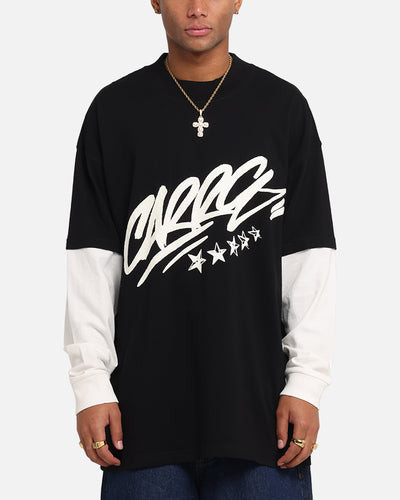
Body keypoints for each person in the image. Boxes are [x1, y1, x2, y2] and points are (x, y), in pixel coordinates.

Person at [63, 1, 336, 498]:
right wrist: (90, 384)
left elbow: (309, 258)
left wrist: (306, 383)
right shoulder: (114, 110)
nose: (196, 7)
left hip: (261, 419)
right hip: (140, 422)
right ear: (155, 1)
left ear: (238, 1)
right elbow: (92, 261)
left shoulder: (282, 108)